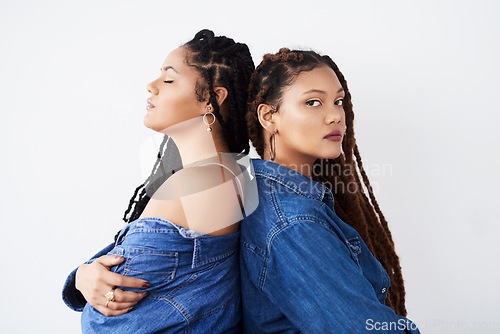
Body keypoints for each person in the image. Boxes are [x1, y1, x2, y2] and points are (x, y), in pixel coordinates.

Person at [62, 29, 256, 333]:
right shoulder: (219, 175)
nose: (151, 87)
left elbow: (111, 319)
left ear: (212, 97)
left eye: (168, 79)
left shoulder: (205, 180)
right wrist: (82, 276)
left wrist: (90, 285)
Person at [240, 48, 421, 333]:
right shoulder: (294, 224)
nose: (335, 115)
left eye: (338, 101)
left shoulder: (273, 200)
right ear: (268, 116)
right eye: (313, 102)